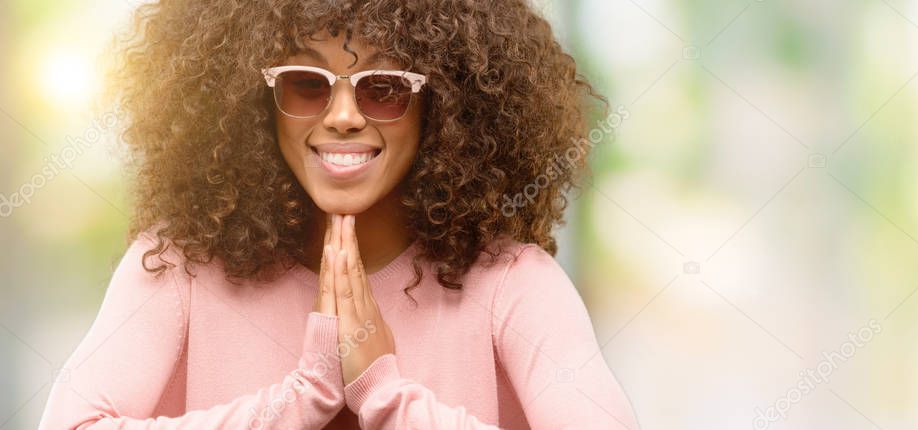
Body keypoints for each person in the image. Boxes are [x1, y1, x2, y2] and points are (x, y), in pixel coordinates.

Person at [38, 0, 638, 428]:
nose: (344, 115)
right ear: (255, 104)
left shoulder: (513, 283)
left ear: (446, 104)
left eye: (383, 87)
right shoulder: (179, 268)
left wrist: (386, 392)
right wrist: (300, 400)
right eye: (307, 84)